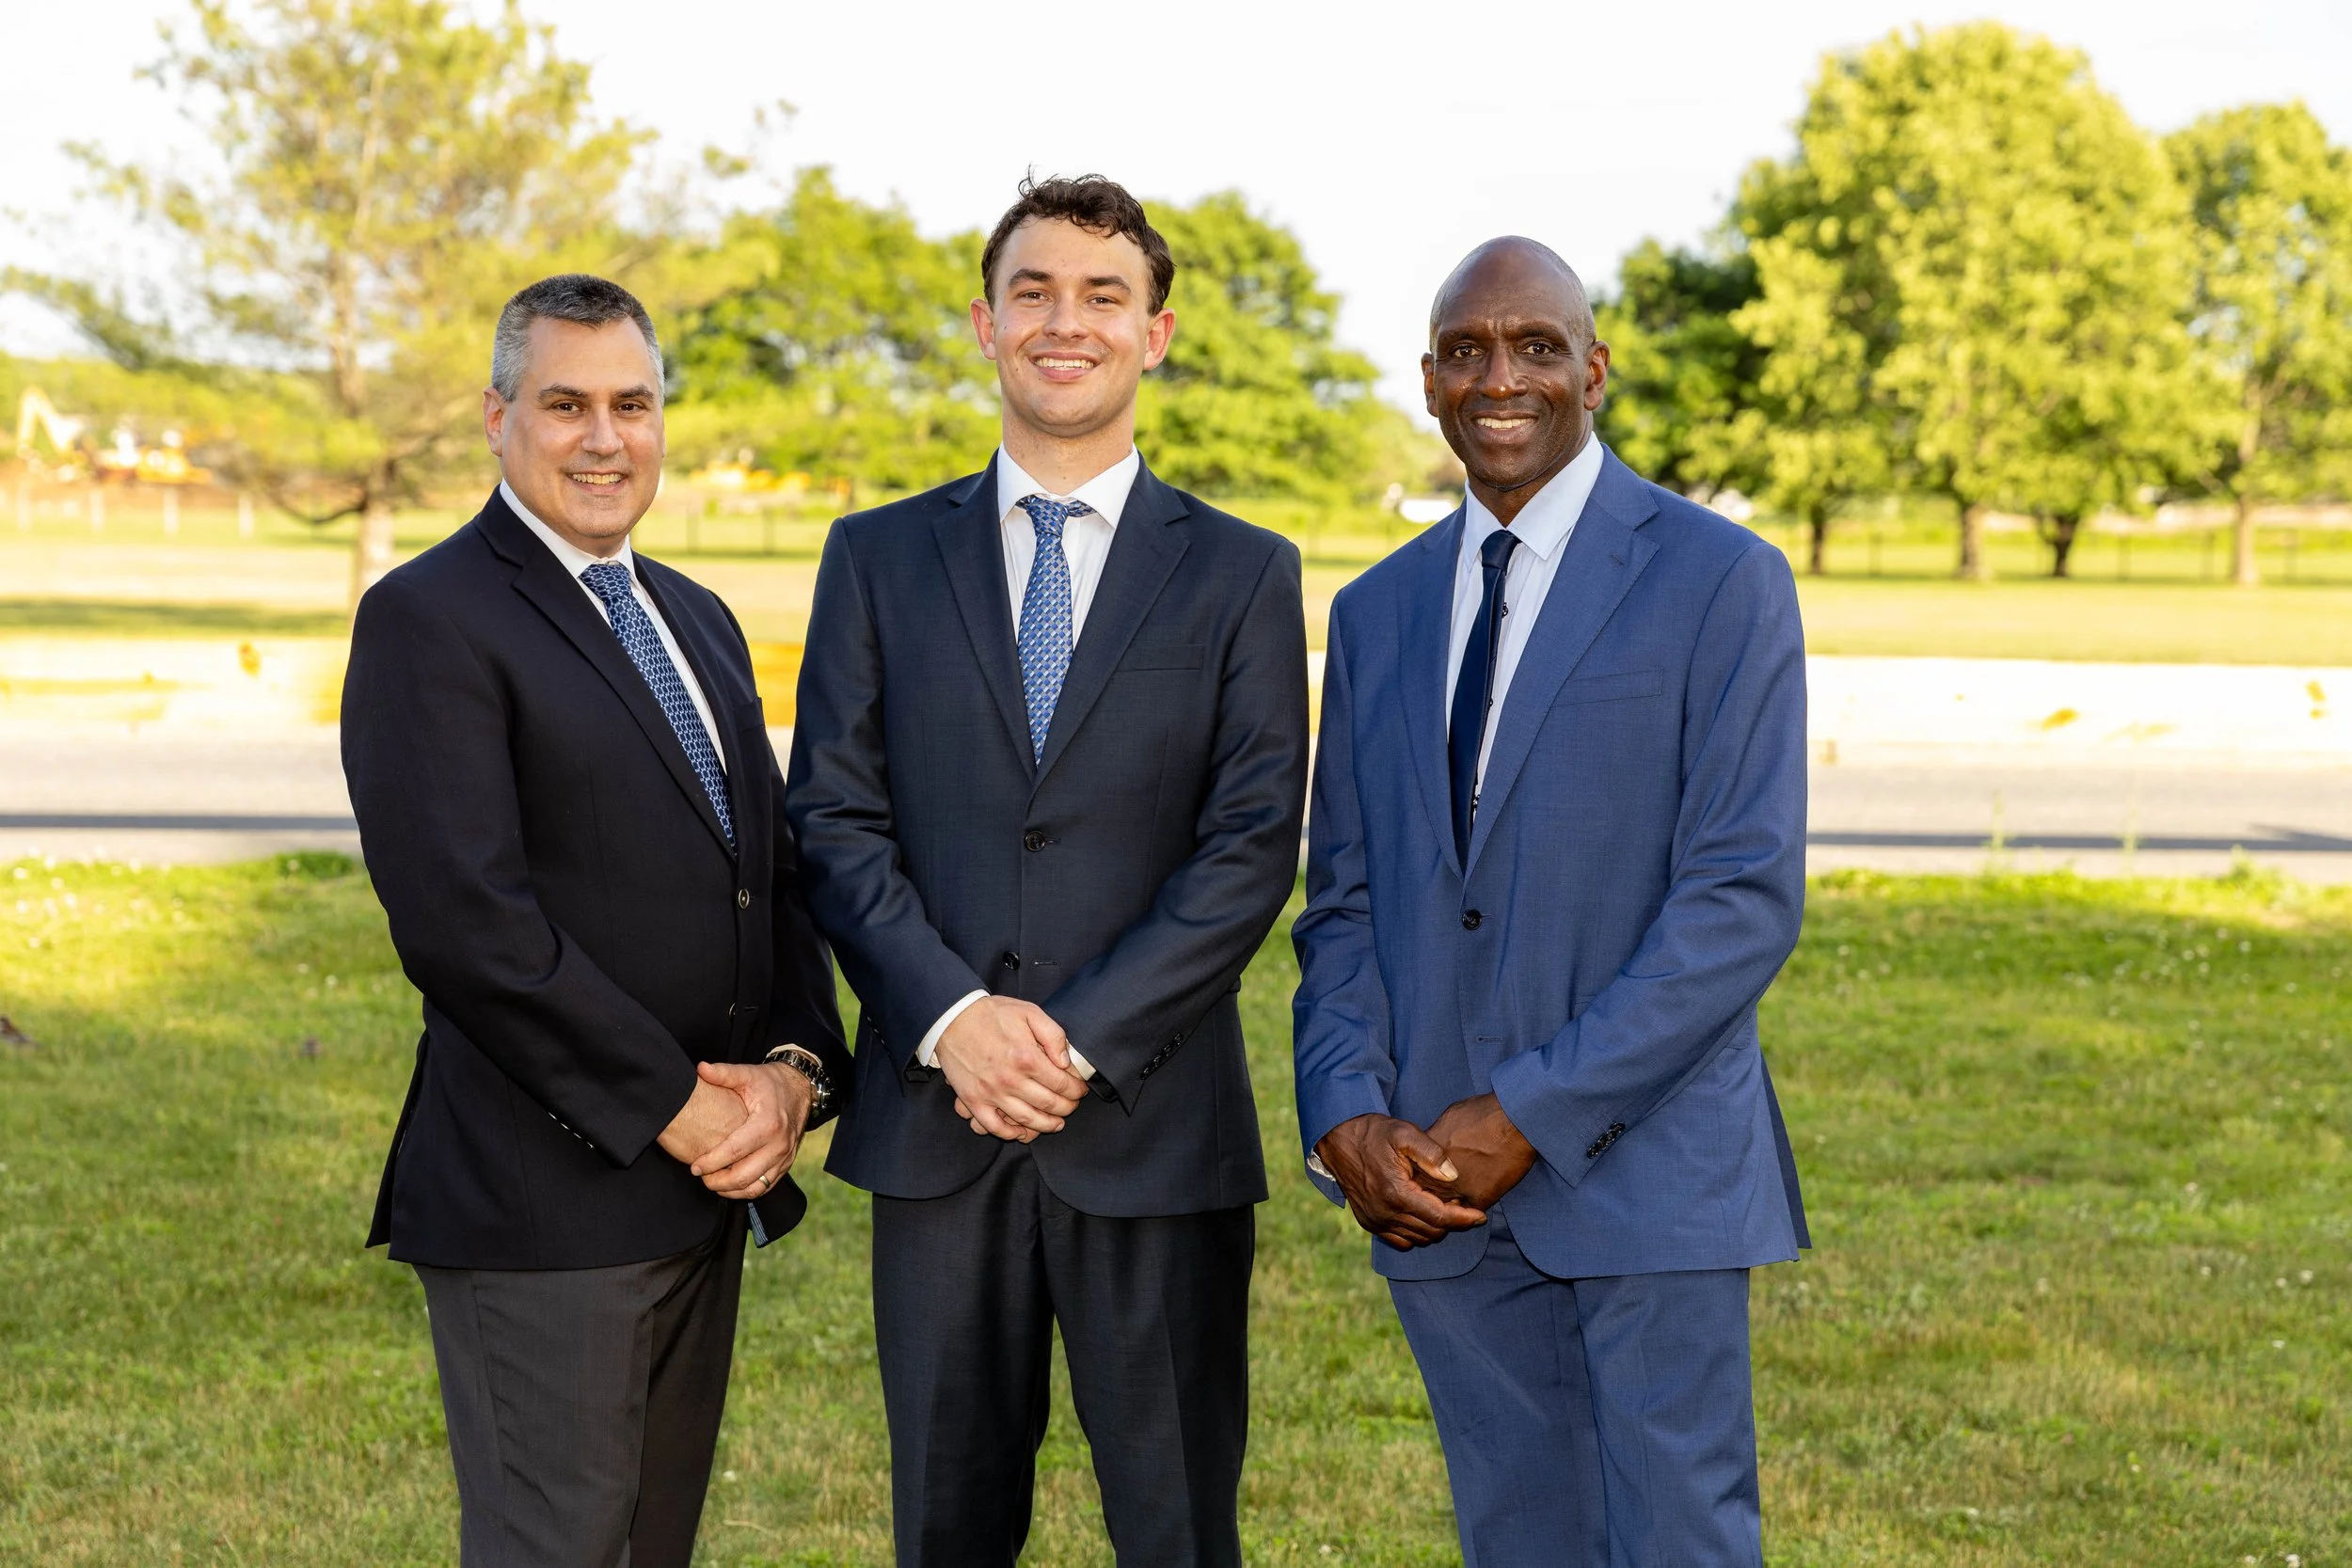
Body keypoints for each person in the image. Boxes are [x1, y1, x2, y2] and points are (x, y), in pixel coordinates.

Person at [785, 175, 1309, 1567]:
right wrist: (958, 1022)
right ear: (983, 323)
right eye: (1033, 292)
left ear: (1158, 333)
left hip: (1153, 1130)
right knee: (946, 1528)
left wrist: (1071, 1040)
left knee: (1179, 1528)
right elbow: (832, 816)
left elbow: (1250, 842)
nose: (1063, 322)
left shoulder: (1246, 573)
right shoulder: (876, 556)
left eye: (1101, 296)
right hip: (937, 1127)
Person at [1292, 237, 1810, 1567]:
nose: (1499, 376)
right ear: (1427, 382)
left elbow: (1739, 901)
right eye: (1467, 350)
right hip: (1437, 1190)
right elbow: (1343, 899)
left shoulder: (1721, 580)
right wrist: (1345, 1111)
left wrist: (1531, 1108)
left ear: (1595, 368)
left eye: (1534, 345)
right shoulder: (1376, 611)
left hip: (1648, 1170)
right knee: (1516, 1537)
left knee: (1678, 1539)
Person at [342, 274, 850, 1568]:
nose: (605, 436)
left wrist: (792, 1078)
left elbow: (771, 878)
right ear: (499, 417)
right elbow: (470, 928)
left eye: (632, 402)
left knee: (649, 1546)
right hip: (546, 1200)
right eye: (566, 403)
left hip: (704, 1189)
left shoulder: (698, 618)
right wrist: (678, 1105)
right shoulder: (430, 618)